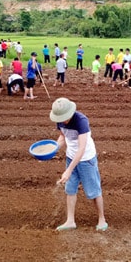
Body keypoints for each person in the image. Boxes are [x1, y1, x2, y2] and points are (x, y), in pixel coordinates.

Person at [50, 97, 108, 232]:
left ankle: (102, 218)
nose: (63, 120)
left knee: (93, 191)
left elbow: (81, 148)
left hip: (86, 159)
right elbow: (62, 137)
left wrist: (69, 170)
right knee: (70, 189)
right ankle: (70, 221)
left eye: (65, 117)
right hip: (71, 157)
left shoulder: (81, 121)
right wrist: (53, 149)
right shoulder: (60, 120)